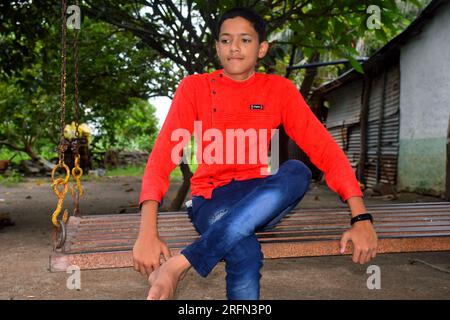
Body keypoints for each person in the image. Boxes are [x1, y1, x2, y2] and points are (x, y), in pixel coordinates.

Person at [133, 7, 378, 300]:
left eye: (245, 40)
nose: (234, 47)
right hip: (211, 200)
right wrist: (147, 232)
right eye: (225, 40)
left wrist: (360, 217)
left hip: (261, 199)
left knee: (297, 171)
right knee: (244, 251)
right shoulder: (194, 88)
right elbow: (162, 157)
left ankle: (180, 264)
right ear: (217, 47)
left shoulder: (280, 90)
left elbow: (325, 150)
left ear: (262, 48)